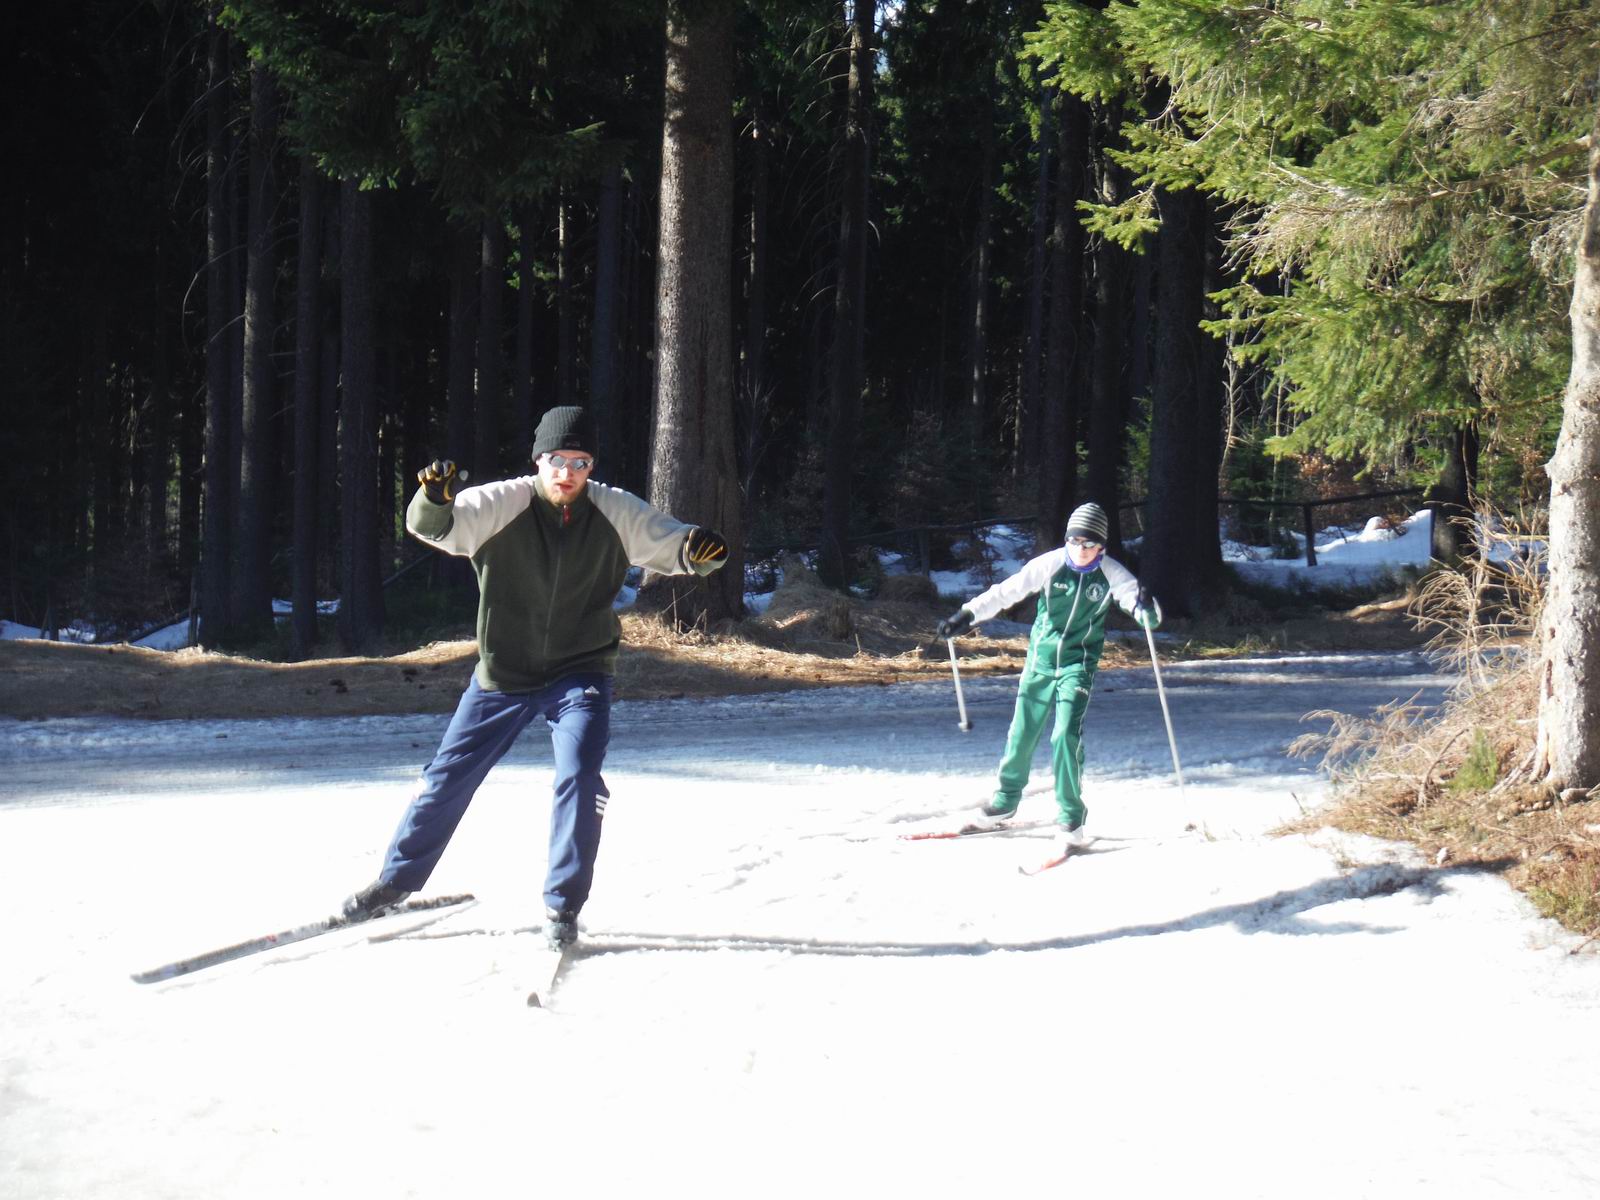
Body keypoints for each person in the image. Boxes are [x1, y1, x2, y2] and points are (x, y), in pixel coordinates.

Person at [341, 405, 729, 949]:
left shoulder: (613, 510)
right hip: (502, 674)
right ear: (538, 460)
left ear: (591, 466)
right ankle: (395, 881)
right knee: (447, 778)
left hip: (580, 671)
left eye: (580, 462)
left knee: (580, 776)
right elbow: (433, 527)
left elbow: (672, 544)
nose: (567, 473)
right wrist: (433, 499)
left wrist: (699, 552)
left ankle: (563, 905)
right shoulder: (503, 503)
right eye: (556, 460)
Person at [936, 502, 1161, 852]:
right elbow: (1006, 591)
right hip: (1040, 662)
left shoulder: (1111, 573)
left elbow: (1141, 607)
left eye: (1090, 543)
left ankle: (1071, 816)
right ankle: (1005, 800)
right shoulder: (1051, 563)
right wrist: (965, 615)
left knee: (1065, 734)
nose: (1081, 549)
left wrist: (1147, 608)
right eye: (1075, 541)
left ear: (1101, 546)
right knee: (1022, 732)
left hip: (1077, 664)